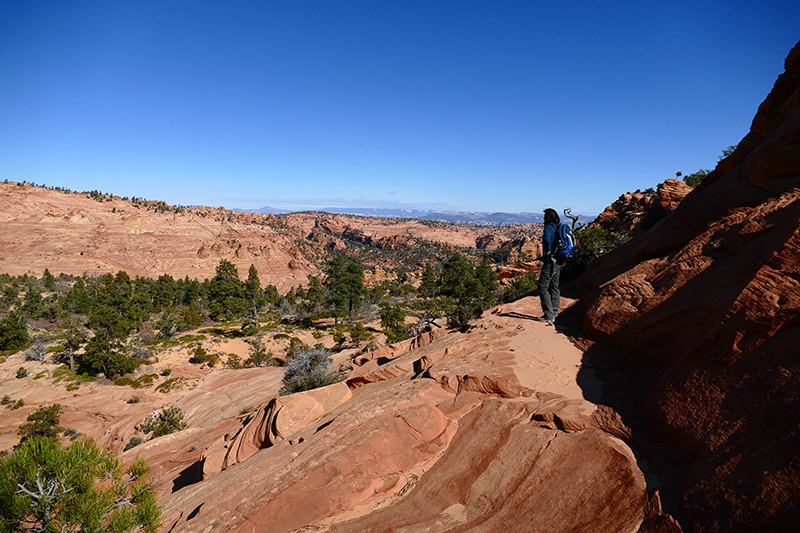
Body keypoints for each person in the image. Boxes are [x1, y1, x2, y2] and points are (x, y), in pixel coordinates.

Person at [537, 208, 562, 323]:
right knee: (554, 285)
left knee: (542, 286)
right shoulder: (559, 226)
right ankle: (555, 311)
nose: (543, 219)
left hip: (550, 260)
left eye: (544, 216)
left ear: (547, 217)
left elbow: (547, 240)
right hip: (559, 260)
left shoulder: (549, 227)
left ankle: (549, 314)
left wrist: (547, 253)